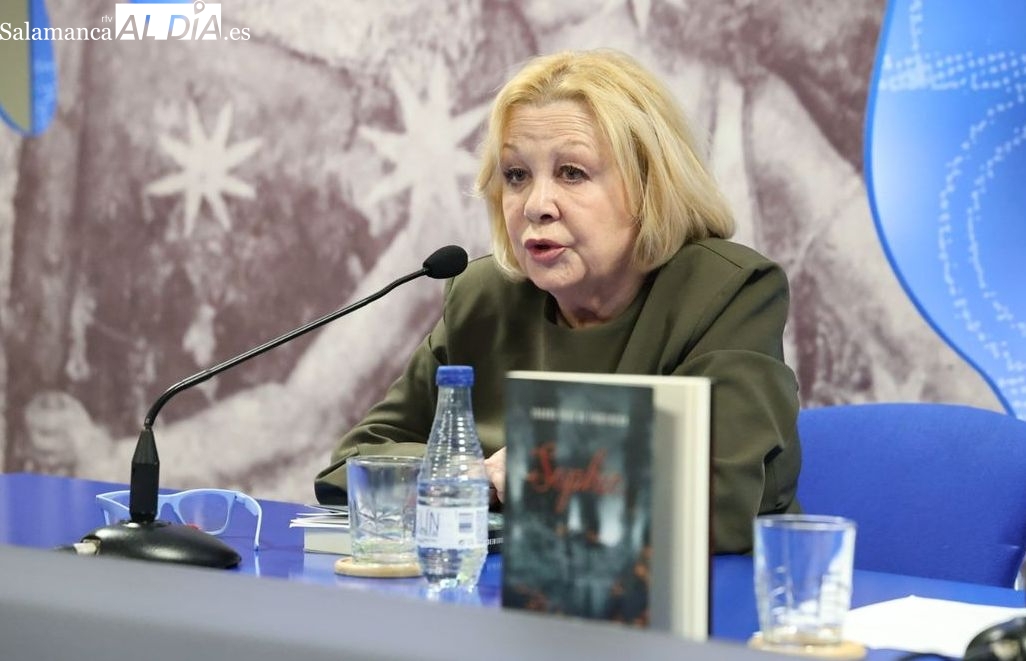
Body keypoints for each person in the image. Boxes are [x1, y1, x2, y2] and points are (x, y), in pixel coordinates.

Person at [314, 48, 801, 553]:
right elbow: (356, 463)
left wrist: (536, 475)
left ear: (650, 186)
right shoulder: (484, 297)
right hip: (499, 603)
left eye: (572, 172)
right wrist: (471, 477)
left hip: (703, 608)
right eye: (516, 175)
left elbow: (717, 500)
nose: (535, 206)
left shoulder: (727, 294)